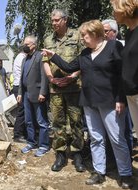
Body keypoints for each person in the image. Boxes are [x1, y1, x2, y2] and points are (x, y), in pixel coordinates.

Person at [42, 19, 133, 189]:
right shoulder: (84, 54)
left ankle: (126, 174)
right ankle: (99, 172)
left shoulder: (113, 47)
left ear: (95, 34)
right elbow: (68, 67)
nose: (82, 38)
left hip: (111, 101)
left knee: (116, 139)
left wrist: (121, 98)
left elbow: (122, 74)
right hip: (89, 102)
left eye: (84, 35)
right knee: (96, 139)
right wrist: (53, 56)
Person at [43, 9, 85, 172]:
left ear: (65, 20)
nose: (53, 23)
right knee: (57, 122)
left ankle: (77, 154)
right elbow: (45, 61)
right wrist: (50, 78)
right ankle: (60, 154)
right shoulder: (48, 39)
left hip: (73, 87)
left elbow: (84, 59)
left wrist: (72, 76)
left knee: (76, 121)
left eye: (56, 20)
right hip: (55, 89)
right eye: (52, 20)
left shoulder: (76, 36)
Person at [17, 35, 50, 157]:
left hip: (37, 94)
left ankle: (44, 145)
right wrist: (20, 93)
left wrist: (43, 92)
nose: (24, 46)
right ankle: (31, 142)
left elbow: (44, 76)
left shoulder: (40, 56)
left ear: (34, 45)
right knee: (28, 121)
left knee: (41, 121)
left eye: (27, 44)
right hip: (26, 94)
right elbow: (22, 78)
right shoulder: (25, 59)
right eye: (24, 43)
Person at [111, 0, 138, 144]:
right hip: (131, 94)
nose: (113, 13)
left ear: (125, 9)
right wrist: (122, 97)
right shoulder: (129, 34)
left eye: (115, 9)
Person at [12, 50, 27, 142]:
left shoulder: (19, 56)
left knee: (23, 111)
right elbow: (24, 74)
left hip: (17, 86)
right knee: (21, 111)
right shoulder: (22, 58)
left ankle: (22, 132)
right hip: (19, 87)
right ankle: (17, 134)